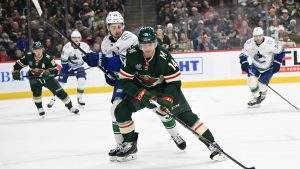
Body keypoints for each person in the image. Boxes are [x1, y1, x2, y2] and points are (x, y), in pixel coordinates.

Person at [112, 27, 227, 162]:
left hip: (165, 89)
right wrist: (139, 93)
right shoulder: (132, 55)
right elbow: (125, 81)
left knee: (187, 117)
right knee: (120, 111)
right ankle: (130, 144)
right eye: (144, 45)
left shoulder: (164, 57)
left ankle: (213, 145)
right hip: (143, 90)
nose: (148, 49)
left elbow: (175, 83)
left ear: (156, 43)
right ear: (139, 45)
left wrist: (167, 99)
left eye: (151, 45)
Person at [85, 11, 186, 162]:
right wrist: (109, 75)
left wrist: (101, 60)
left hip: (137, 80)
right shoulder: (106, 42)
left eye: (119, 26)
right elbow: (112, 69)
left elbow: (126, 63)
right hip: (123, 80)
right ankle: (124, 145)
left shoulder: (130, 39)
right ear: (108, 28)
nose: (117, 30)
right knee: (115, 110)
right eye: (113, 27)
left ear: (124, 26)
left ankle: (175, 134)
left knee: (158, 108)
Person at [12, 41, 79, 116]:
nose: (38, 52)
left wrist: (48, 73)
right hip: (34, 77)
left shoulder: (48, 58)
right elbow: (18, 65)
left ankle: (70, 107)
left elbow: (55, 71)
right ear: (33, 51)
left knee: (60, 92)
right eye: (36, 50)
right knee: (36, 93)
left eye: (40, 49)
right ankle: (40, 108)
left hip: (47, 78)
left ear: (42, 49)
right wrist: (16, 72)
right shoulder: (28, 56)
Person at [239, 27, 285, 107]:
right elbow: (243, 55)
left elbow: (281, 51)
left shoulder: (270, 42)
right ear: (253, 36)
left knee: (262, 86)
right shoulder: (249, 43)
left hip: (268, 68)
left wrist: (277, 63)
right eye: (256, 36)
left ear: (262, 35)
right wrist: (244, 63)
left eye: (260, 36)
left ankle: (262, 95)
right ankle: (256, 98)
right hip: (255, 66)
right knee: (251, 82)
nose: (258, 38)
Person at [47, 30, 92, 108]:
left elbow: (90, 56)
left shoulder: (85, 46)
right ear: (71, 38)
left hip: (78, 66)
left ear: (80, 38)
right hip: (67, 66)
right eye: (74, 38)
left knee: (82, 81)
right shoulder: (67, 47)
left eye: (78, 37)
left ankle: (79, 99)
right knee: (60, 85)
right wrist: (69, 70)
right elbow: (64, 62)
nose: (76, 39)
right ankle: (53, 99)